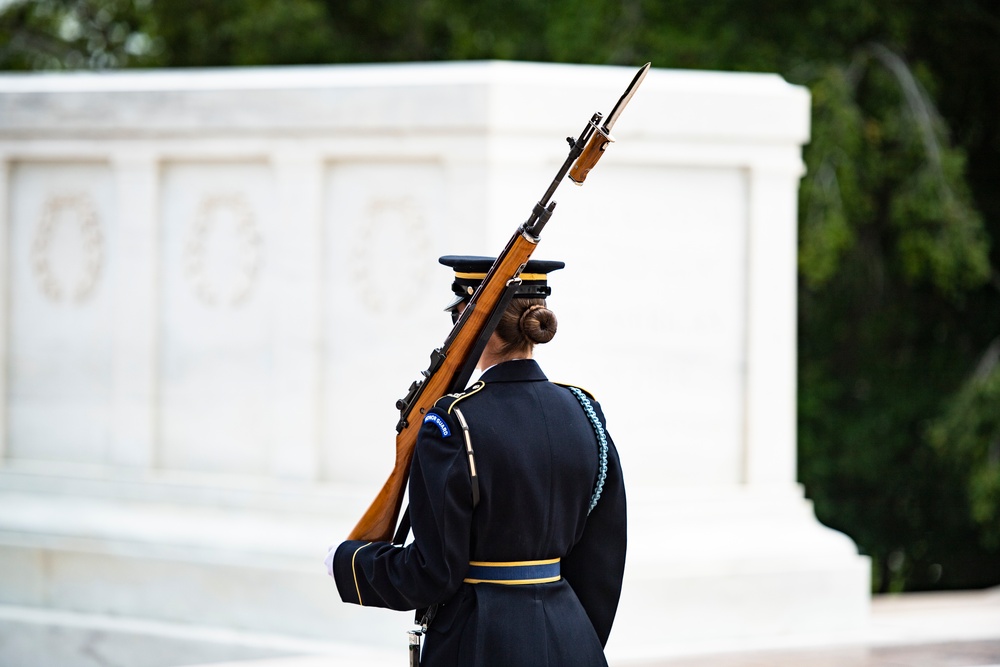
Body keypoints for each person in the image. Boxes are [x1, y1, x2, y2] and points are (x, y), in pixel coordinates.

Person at [326, 255, 627, 666]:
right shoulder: (584, 412)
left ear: (472, 325)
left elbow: (433, 572)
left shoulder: (454, 421)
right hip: (573, 639)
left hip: (479, 643)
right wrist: (573, 636)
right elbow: (602, 562)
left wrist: (349, 562)